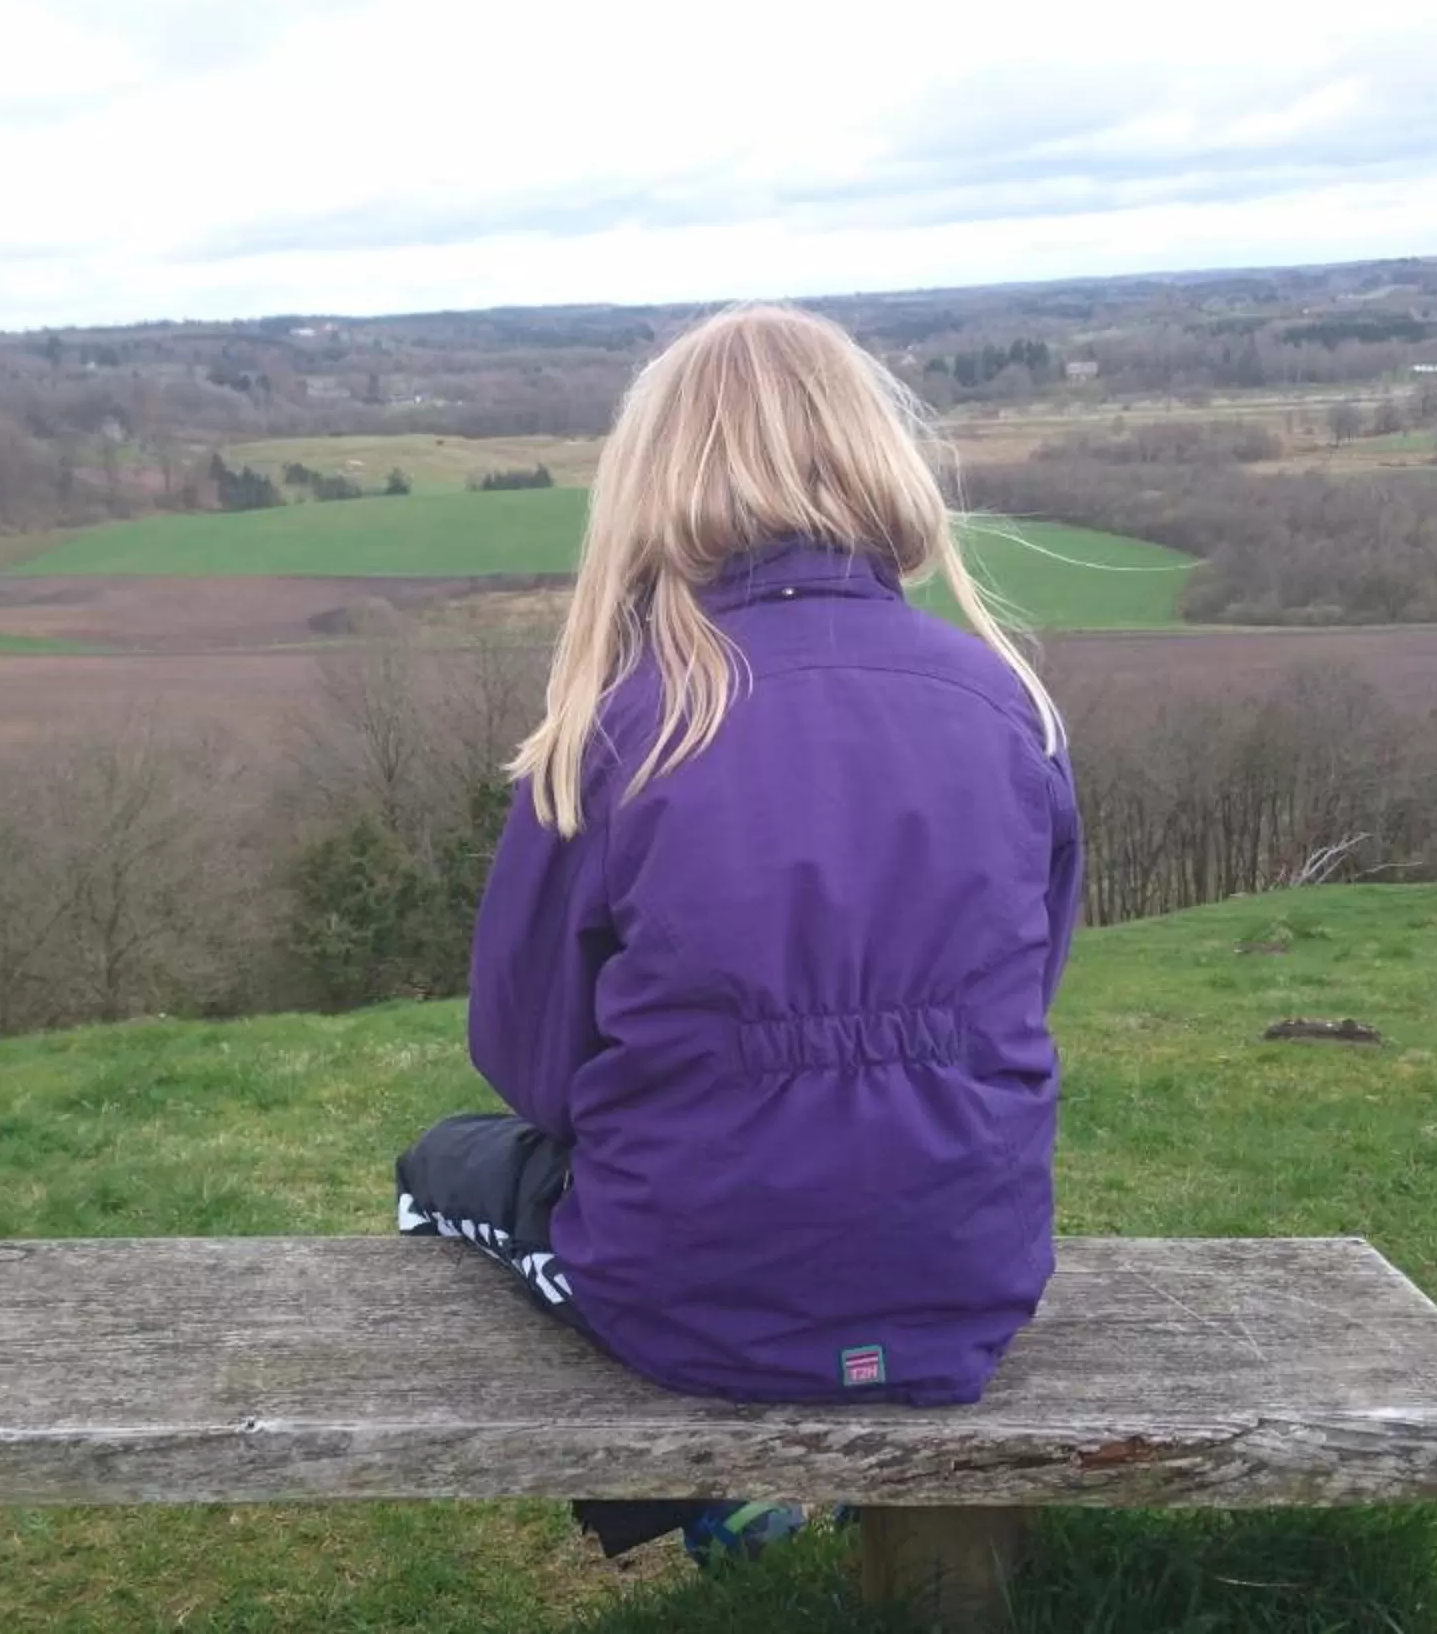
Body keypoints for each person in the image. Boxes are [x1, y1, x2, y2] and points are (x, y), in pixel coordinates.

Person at [395, 303, 1083, 1563]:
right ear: (881, 459)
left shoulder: (622, 725)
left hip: (684, 1304)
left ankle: (707, 1501)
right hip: (969, 1277)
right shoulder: (1004, 704)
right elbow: (1028, 988)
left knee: (437, 1166)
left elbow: (530, 1064)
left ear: (649, 483)